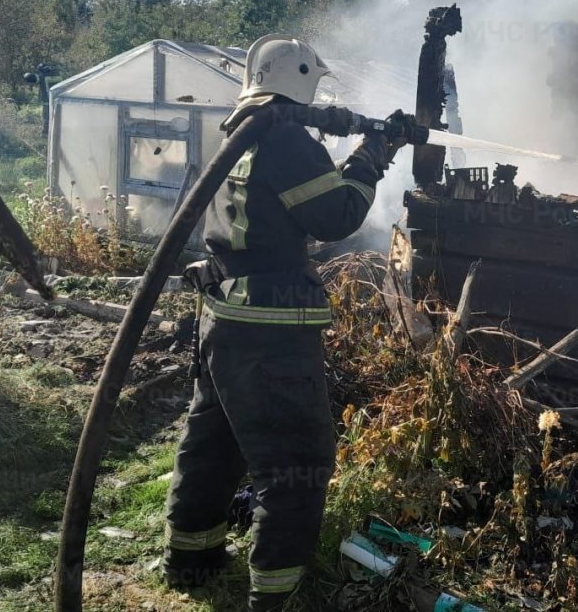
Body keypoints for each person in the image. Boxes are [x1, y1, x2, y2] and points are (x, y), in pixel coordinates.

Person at [163, 34, 401, 611]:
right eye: (313, 86)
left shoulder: (238, 134)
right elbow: (336, 214)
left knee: (215, 440)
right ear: (296, 82)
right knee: (295, 461)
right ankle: (278, 596)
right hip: (270, 328)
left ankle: (190, 559)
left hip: (223, 316)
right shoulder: (287, 139)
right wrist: (371, 157)